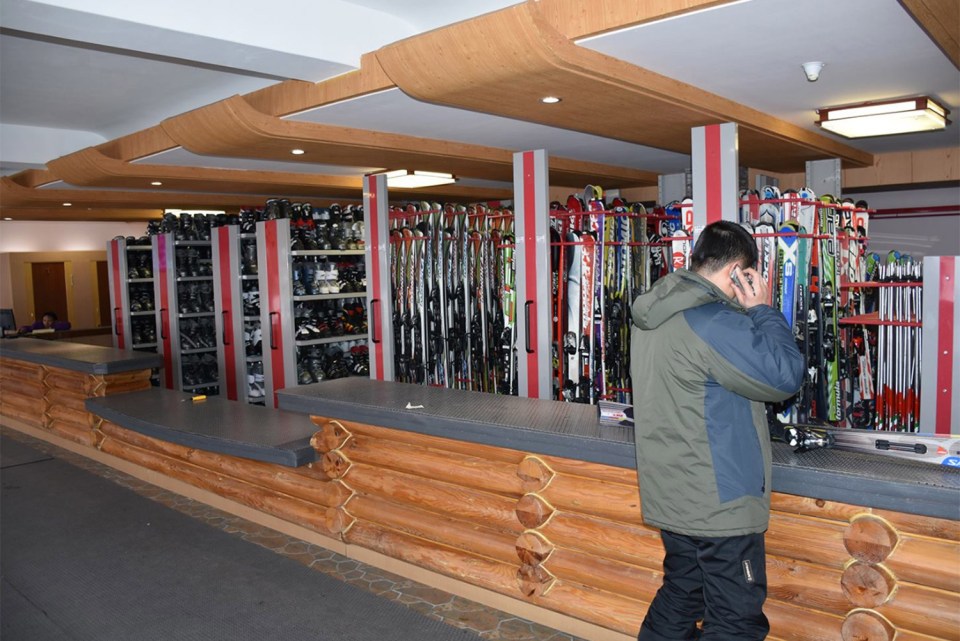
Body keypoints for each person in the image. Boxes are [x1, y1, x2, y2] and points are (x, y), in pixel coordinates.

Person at [630, 220, 804, 640]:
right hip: (719, 503)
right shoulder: (714, 322)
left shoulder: (652, 315)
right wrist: (762, 309)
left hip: (675, 495)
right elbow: (784, 375)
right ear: (738, 273)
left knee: (682, 597)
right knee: (735, 620)